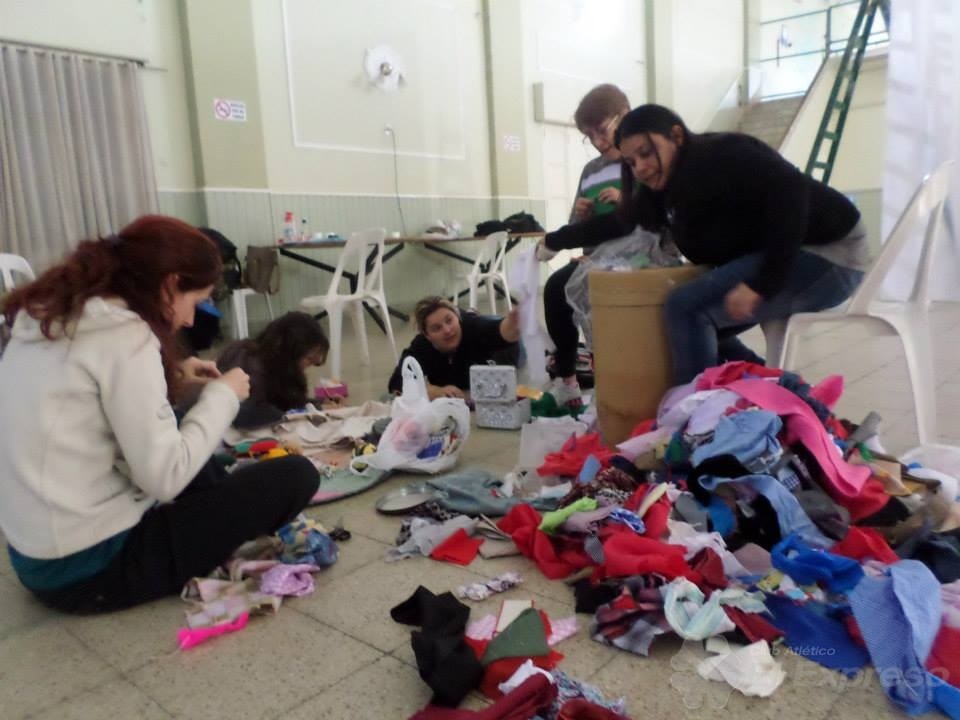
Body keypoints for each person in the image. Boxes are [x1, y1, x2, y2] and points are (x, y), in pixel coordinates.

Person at [0, 215, 320, 613]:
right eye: (196, 302)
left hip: (39, 553)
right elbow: (164, 478)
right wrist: (223, 397)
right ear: (170, 284)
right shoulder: (125, 337)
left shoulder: (56, 317)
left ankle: (215, 496)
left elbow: (91, 407)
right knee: (295, 475)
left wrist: (174, 376)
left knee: (188, 435)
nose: (190, 320)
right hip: (88, 571)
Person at [543, 103, 869, 385]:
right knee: (678, 323)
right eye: (631, 162)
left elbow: (793, 192)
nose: (639, 167)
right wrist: (554, 242)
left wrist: (764, 282)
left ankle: (690, 417)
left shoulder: (721, 154)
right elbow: (621, 222)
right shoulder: (662, 188)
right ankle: (775, 390)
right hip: (788, 252)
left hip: (831, 252)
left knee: (686, 307)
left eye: (646, 152)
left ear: (676, 136)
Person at [540, 84, 630, 406]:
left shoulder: (638, 161)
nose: (597, 142)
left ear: (624, 117)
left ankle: (617, 383)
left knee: (604, 307)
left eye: (602, 131)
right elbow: (578, 226)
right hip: (596, 258)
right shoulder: (591, 171)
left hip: (637, 257)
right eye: (588, 136)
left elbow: (648, 216)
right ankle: (568, 380)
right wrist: (580, 214)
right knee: (555, 289)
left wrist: (625, 199)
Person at [388, 296, 520, 400]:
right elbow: (397, 382)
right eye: (436, 328)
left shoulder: (472, 327)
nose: (447, 330)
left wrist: (512, 325)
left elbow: (499, 331)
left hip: (506, 349)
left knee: (497, 323)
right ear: (427, 335)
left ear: (457, 317)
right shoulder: (422, 345)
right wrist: (435, 391)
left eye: (449, 320)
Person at [217, 311, 330, 428]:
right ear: (289, 350)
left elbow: (287, 402)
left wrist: (318, 404)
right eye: (309, 359)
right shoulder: (248, 362)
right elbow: (250, 414)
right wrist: (312, 409)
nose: (308, 366)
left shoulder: (278, 366)